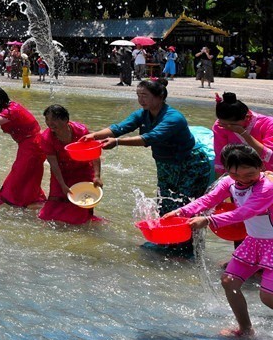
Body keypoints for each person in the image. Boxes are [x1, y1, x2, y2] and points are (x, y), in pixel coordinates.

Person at [83, 78, 214, 257]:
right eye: (138, 95)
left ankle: (187, 251)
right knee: (166, 203)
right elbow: (119, 128)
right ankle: (168, 243)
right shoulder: (143, 114)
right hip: (166, 165)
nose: (141, 99)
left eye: (144, 95)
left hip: (190, 165)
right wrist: (93, 136)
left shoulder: (173, 118)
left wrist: (117, 142)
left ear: (160, 96)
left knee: (185, 206)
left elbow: (150, 137)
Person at [167, 144, 273, 337]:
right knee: (229, 281)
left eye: (249, 174)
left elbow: (244, 212)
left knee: (268, 297)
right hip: (254, 242)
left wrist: (208, 220)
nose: (242, 180)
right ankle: (246, 329)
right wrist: (180, 211)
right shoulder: (229, 183)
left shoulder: (267, 187)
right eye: (235, 175)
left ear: (260, 166)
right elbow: (208, 200)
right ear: (227, 171)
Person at [36, 105, 101, 225]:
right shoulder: (46, 138)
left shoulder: (81, 131)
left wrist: (97, 175)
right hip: (61, 172)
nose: (50, 123)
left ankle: (83, 221)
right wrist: (62, 184)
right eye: (47, 120)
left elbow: (94, 153)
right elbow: (53, 164)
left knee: (83, 201)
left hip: (82, 169)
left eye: (54, 119)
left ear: (66, 120)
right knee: (51, 209)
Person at [212, 93, 273, 174]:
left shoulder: (268, 123)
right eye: (224, 124)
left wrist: (242, 132)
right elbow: (221, 157)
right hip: (238, 172)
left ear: (247, 117)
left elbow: (270, 157)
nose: (228, 127)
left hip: (266, 171)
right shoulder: (220, 126)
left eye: (232, 125)